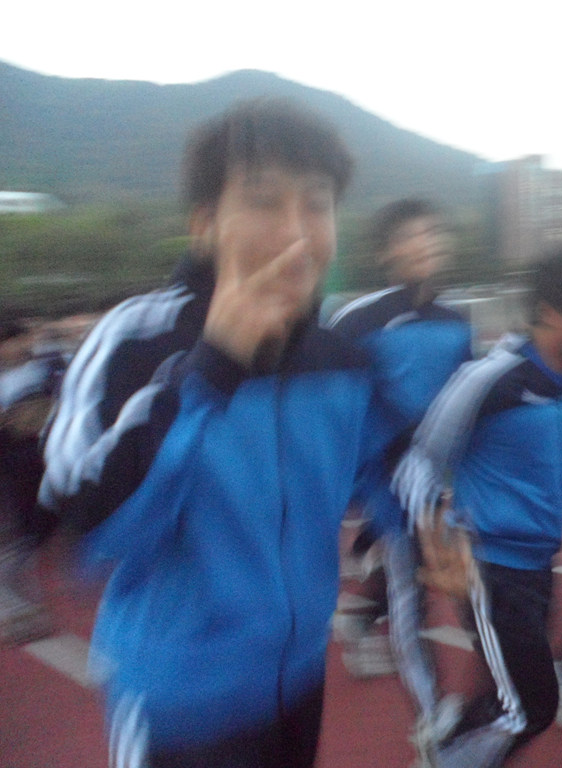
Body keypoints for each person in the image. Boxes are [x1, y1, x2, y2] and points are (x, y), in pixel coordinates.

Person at [38, 99, 371, 768]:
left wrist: (423, 519)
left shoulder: (339, 359)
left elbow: (374, 474)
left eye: (317, 204)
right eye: (264, 202)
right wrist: (212, 367)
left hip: (299, 682)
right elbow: (88, 530)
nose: (296, 231)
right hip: (177, 704)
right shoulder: (138, 340)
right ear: (204, 225)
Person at [392, 244, 562, 768]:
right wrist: (435, 538)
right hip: (488, 568)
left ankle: (453, 740)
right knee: (531, 706)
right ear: (549, 312)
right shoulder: (491, 378)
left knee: (509, 692)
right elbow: (419, 463)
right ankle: (445, 753)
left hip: (539, 566)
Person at [327, 198, 473, 763]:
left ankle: (361, 617)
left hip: (439, 481)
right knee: (413, 599)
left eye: (433, 231)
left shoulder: (456, 321)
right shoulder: (358, 321)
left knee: (463, 585)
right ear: (387, 252)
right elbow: (335, 405)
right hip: (386, 480)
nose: (426, 242)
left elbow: (466, 397)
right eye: (411, 235)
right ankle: (432, 722)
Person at [0, 321, 66, 645]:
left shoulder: (46, 367)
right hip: (14, 465)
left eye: (25, 338)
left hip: (45, 459)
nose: (23, 345)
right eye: (16, 340)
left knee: (33, 538)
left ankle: (28, 617)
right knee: (21, 544)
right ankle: (22, 617)